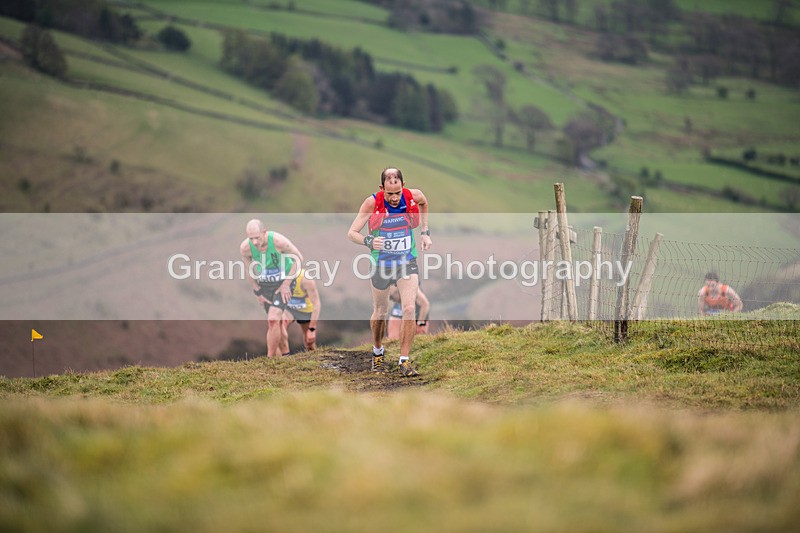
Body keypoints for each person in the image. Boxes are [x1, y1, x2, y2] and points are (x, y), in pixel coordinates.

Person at [347, 167, 432, 377]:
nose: (394, 198)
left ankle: (404, 360)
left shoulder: (413, 195)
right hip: (381, 264)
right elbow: (351, 233)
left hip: (406, 261)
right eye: (390, 193)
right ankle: (377, 352)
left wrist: (425, 233)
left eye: (397, 192)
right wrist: (369, 241)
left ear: (403, 186)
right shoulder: (372, 203)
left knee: (410, 309)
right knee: (381, 311)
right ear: (381, 188)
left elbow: (424, 203)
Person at [240, 219, 304, 357]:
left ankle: (270, 360)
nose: (255, 242)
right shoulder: (245, 248)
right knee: (278, 323)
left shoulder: (278, 242)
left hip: (284, 282)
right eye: (251, 239)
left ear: (264, 232)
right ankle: (286, 356)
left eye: (257, 238)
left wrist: (286, 284)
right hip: (265, 286)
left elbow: (299, 259)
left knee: (273, 319)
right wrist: (257, 292)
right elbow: (249, 271)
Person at [281, 268, 321, 351]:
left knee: (309, 342)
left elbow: (316, 304)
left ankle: (313, 360)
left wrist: (312, 329)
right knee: (279, 328)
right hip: (289, 308)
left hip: (305, 310)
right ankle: (283, 357)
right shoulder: (278, 277)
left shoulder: (306, 280)